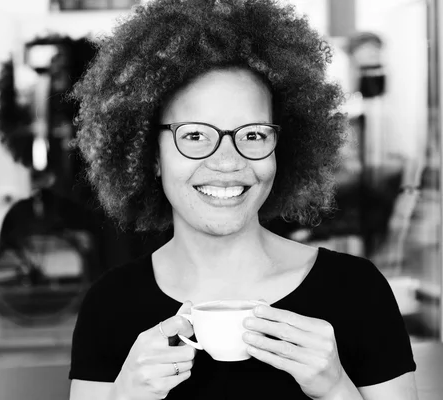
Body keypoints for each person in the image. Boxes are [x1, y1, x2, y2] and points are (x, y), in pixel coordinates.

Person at [68, 0, 418, 398]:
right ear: (151, 155)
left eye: (252, 135)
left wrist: (336, 388)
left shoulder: (358, 292)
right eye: (195, 135)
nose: (228, 162)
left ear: (279, 148)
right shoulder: (109, 306)